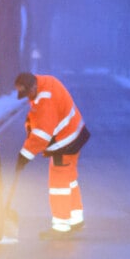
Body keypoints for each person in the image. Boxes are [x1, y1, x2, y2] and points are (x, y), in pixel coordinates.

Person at [14, 73, 90, 235]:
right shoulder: (43, 83)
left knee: (59, 184)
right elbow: (37, 113)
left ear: (33, 87)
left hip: (65, 141)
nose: (27, 98)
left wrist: (24, 155)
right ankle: (75, 219)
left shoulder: (46, 99)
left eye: (28, 94)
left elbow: (42, 136)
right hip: (74, 135)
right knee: (69, 179)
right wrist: (30, 125)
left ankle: (61, 226)